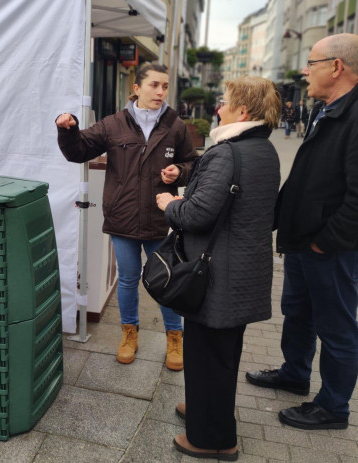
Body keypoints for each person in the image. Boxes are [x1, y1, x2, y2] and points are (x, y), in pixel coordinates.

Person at [246, 33, 358, 430]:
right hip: (304, 241)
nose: (304, 71)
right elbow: (310, 178)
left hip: (333, 249)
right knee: (298, 312)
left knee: (336, 326)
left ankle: (333, 407)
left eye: (311, 63)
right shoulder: (328, 108)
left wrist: (323, 243)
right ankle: (295, 374)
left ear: (336, 67)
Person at [157, 75, 281, 461]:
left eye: (224, 102)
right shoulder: (263, 149)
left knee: (210, 356)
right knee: (220, 355)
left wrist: (168, 204)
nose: (219, 108)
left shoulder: (227, 152)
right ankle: (205, 411)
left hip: (216, 278)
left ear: (242, 111)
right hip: (239, 273)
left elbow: (197, 213)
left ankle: (214, 440)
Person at [56, 63, 197, 370]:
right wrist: (68, 129)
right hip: (122, 217)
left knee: (168, 279)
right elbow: (78, 150)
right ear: (136, 88)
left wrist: (180, 172)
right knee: (128, 280)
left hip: (160, 218)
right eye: (154, 85)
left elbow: (192, 163)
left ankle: (175, 337)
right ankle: (129, 334)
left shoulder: (175, 126)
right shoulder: (114, 124)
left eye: (164, 86)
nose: (160, 92)